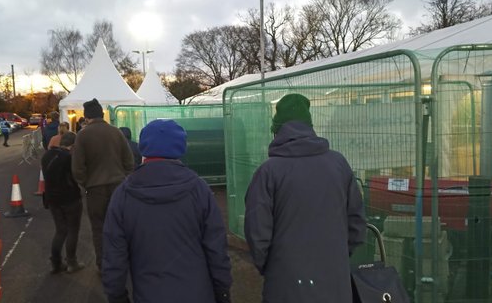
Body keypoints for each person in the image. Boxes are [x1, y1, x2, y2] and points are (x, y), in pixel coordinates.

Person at [244, 93, 367, 303]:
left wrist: (270, 265)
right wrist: (338, 255)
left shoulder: (268, 172)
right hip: (334, 278)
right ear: (310, 126)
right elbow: (356, 222)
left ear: (277, 130)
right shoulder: (338, 164)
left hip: (286, 281)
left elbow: (257, 231)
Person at [103, 119, 232, 303]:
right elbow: (216, 248)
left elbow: (114, 256)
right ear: (181, 148)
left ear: (144, 149)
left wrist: (116, 296)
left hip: (147, 294)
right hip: (198, 294)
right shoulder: (199, 189)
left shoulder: (122, 195)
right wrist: (223, 290)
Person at [71, 98, 135, 271]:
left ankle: (103, 263)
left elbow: (77, 168)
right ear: (101, 114)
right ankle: (123, 260)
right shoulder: (116, 132)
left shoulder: (82, 135)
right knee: (120, 225)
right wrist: (124, 178)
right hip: (118, 186)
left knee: (99, 228)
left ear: (87, 117)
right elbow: (129, 161)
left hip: (95, 190)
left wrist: (87, 183)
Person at [41, 131, 85, 274]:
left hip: (52, 199)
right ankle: (72, 262)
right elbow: (75, 177)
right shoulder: (68, 158)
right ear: (72, 145)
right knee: (73, 230)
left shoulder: (46, 156)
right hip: (69, 198)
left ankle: (56, 262)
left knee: (60, 230)